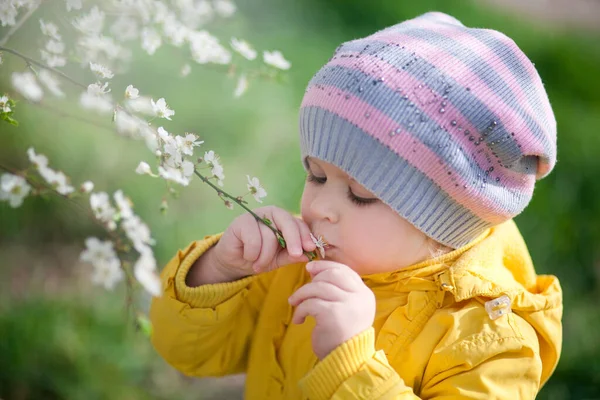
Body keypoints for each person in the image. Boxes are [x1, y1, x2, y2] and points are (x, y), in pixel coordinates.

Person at [150, 11, 562, 399]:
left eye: (361, 194)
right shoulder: (293, 266)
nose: (320, 207)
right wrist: (218, 272)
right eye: (316, 176)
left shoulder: (490, 340)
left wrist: (349, 363)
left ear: (443, 222)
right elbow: (187, 353)